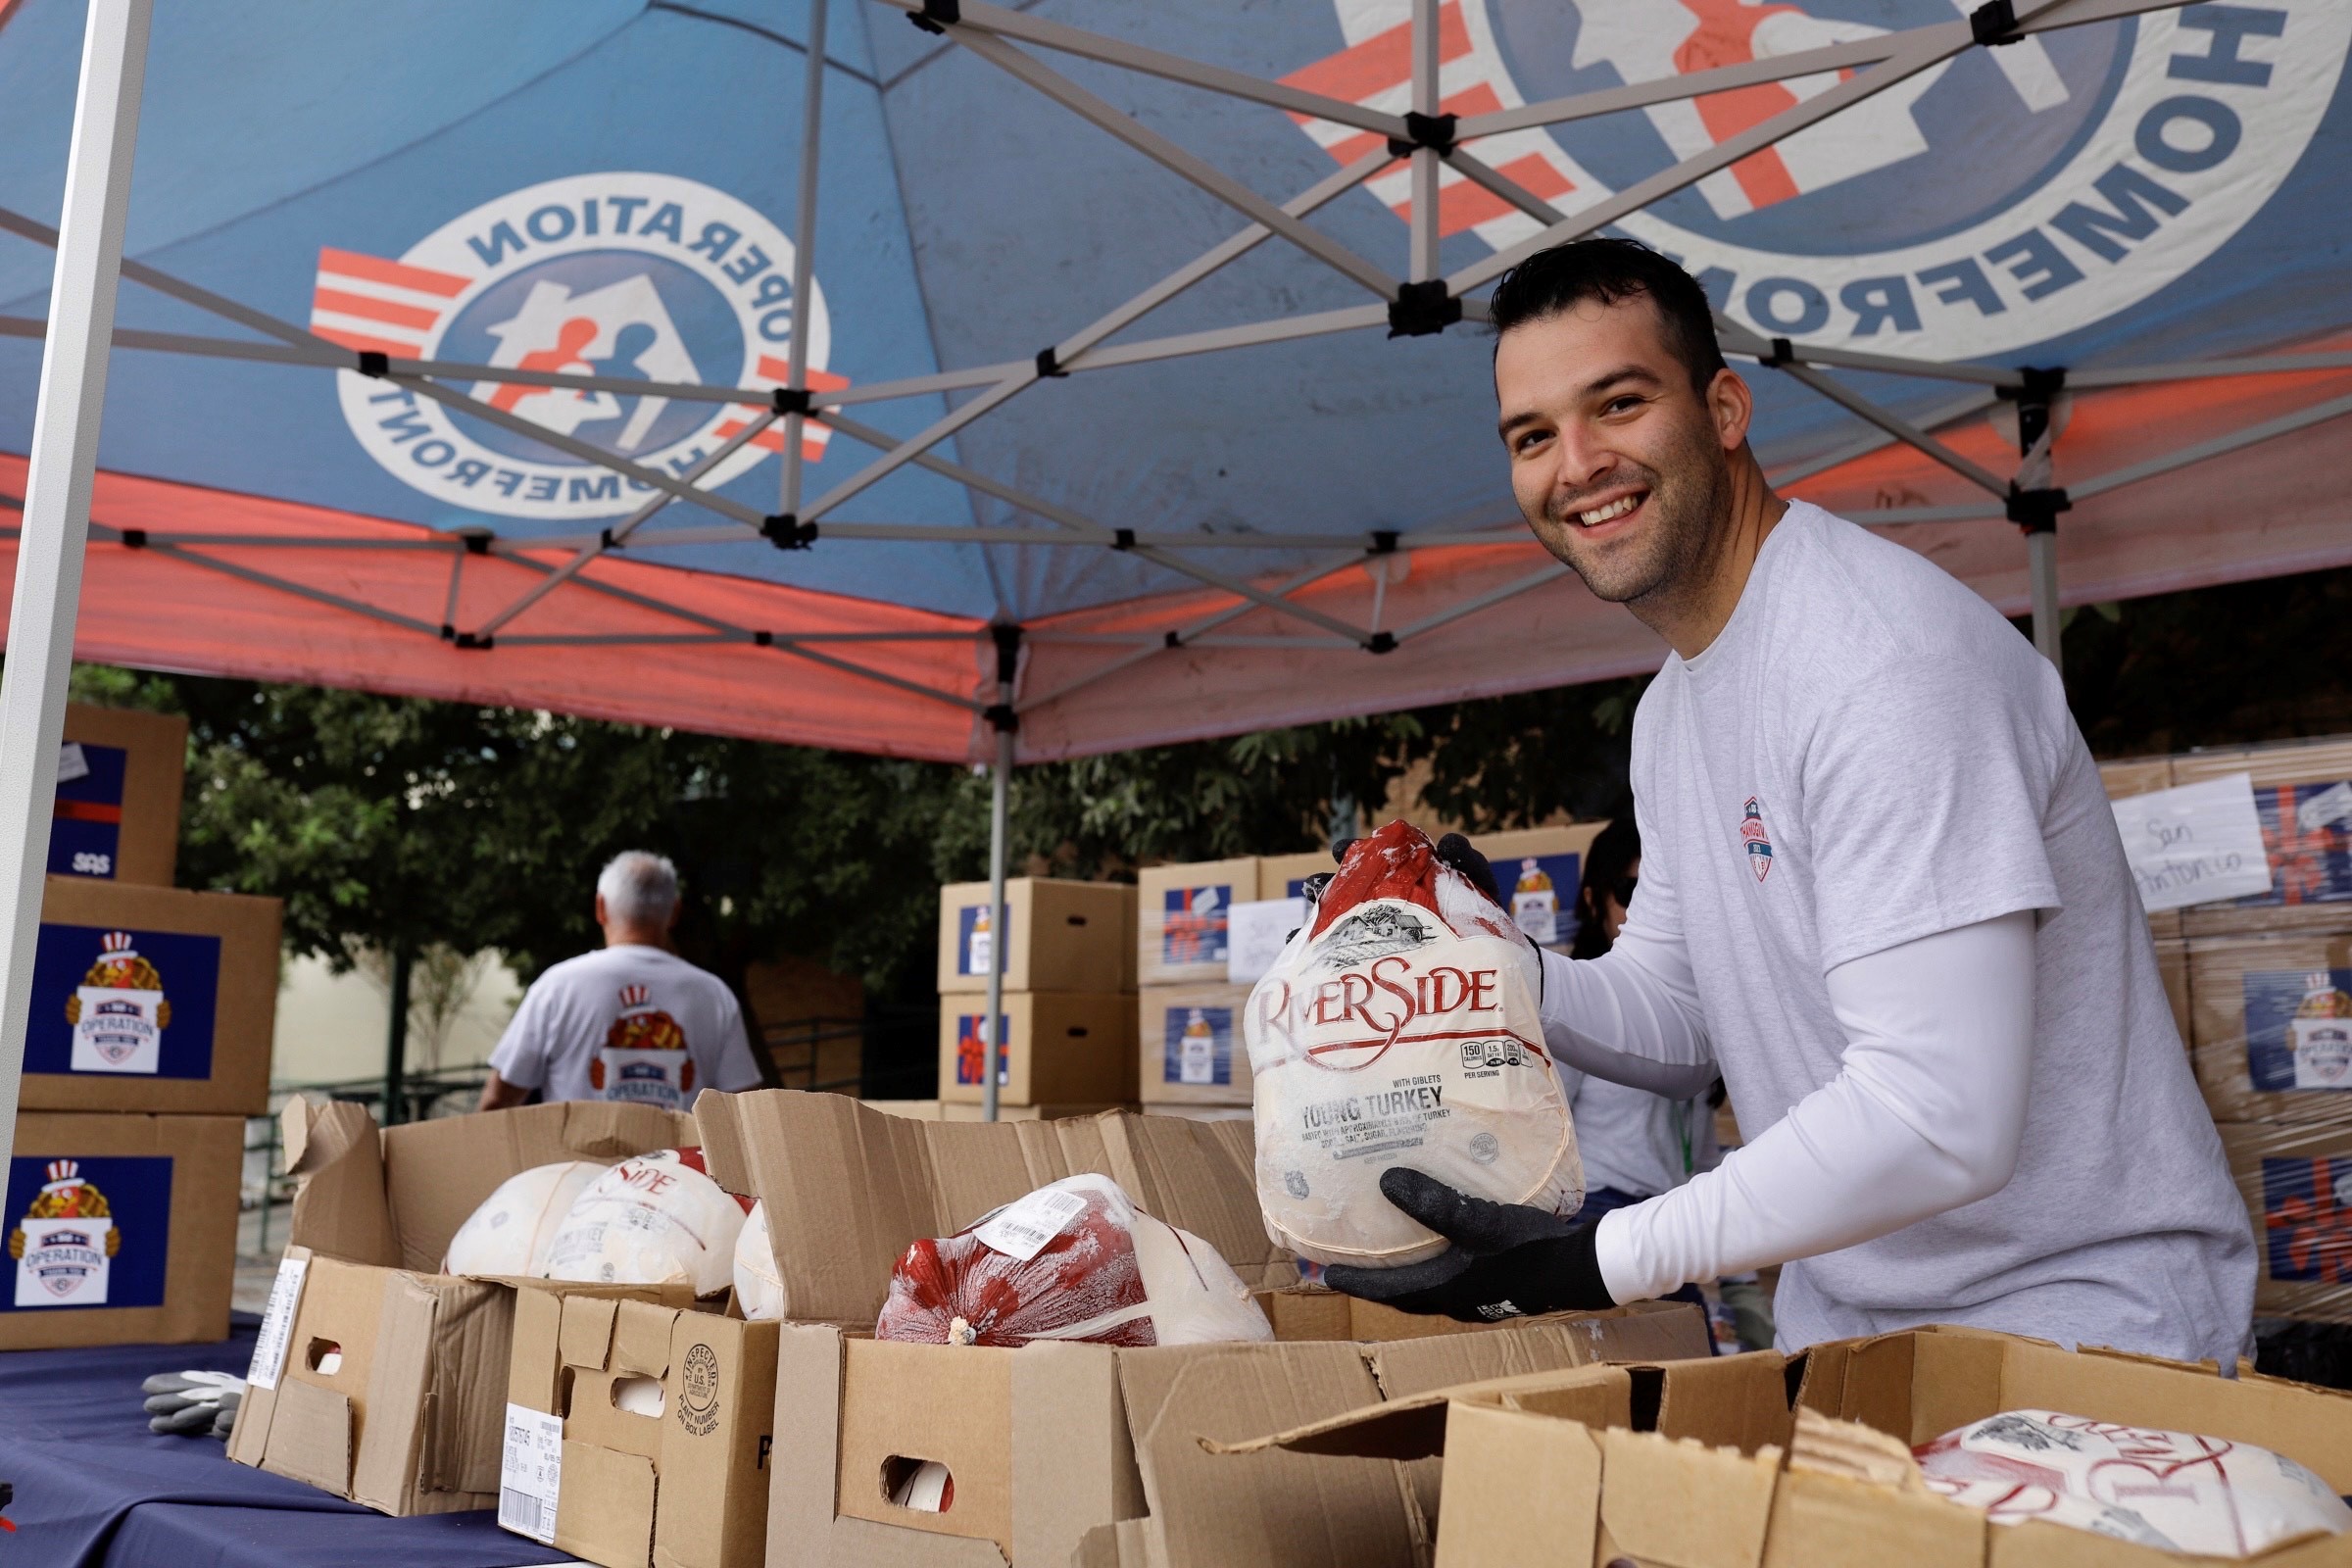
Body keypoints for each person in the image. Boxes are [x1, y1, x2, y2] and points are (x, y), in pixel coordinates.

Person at [1324, 239, 2253, 1364]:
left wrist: (1601, 1254)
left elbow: (1938, 1121)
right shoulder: (1673, 708)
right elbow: (1680, 1008)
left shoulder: (1879, 663)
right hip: (1854, 1327)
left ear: (1724, 408)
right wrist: (1489, 968)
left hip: (2075, 1325)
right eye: (1533, 436)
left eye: (1617, 403)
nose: (1577, 463)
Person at [478, 851, 762, 1114]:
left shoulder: (557, 987)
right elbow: (744, 1108)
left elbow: (497, 1101)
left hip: (581, 1168)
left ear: (600, 907)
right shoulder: (714, 995)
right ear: (674, 912)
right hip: (681, 1168)